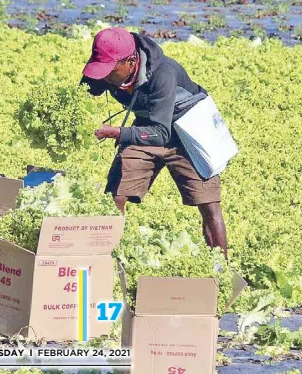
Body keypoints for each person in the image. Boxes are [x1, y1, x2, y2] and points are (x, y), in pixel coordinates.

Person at [79, 27, 228, 259]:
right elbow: (84, 93)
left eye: (109, 70)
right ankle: (104, 260)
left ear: (130, 62)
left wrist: (117, 132)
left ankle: (221, 269)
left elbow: (161, 132)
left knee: (209, 204)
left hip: (187, 133)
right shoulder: (108, 68)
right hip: (146, 127)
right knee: (116, 194)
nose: (103, 76)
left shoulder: (163, 74)